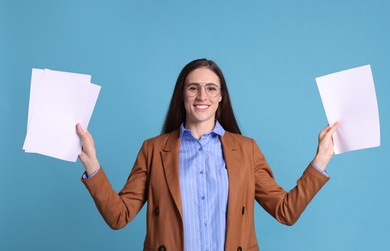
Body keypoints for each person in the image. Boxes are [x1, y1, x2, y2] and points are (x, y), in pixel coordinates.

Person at [76, 59, 339, 251]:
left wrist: (321, 160)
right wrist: (92, 165)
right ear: (182, 95)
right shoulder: (154, 149)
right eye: (193, 88)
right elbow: (119, 216)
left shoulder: (246, 150)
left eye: (211, 88)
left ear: (221, 96)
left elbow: (286, 211)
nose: (202, 96)